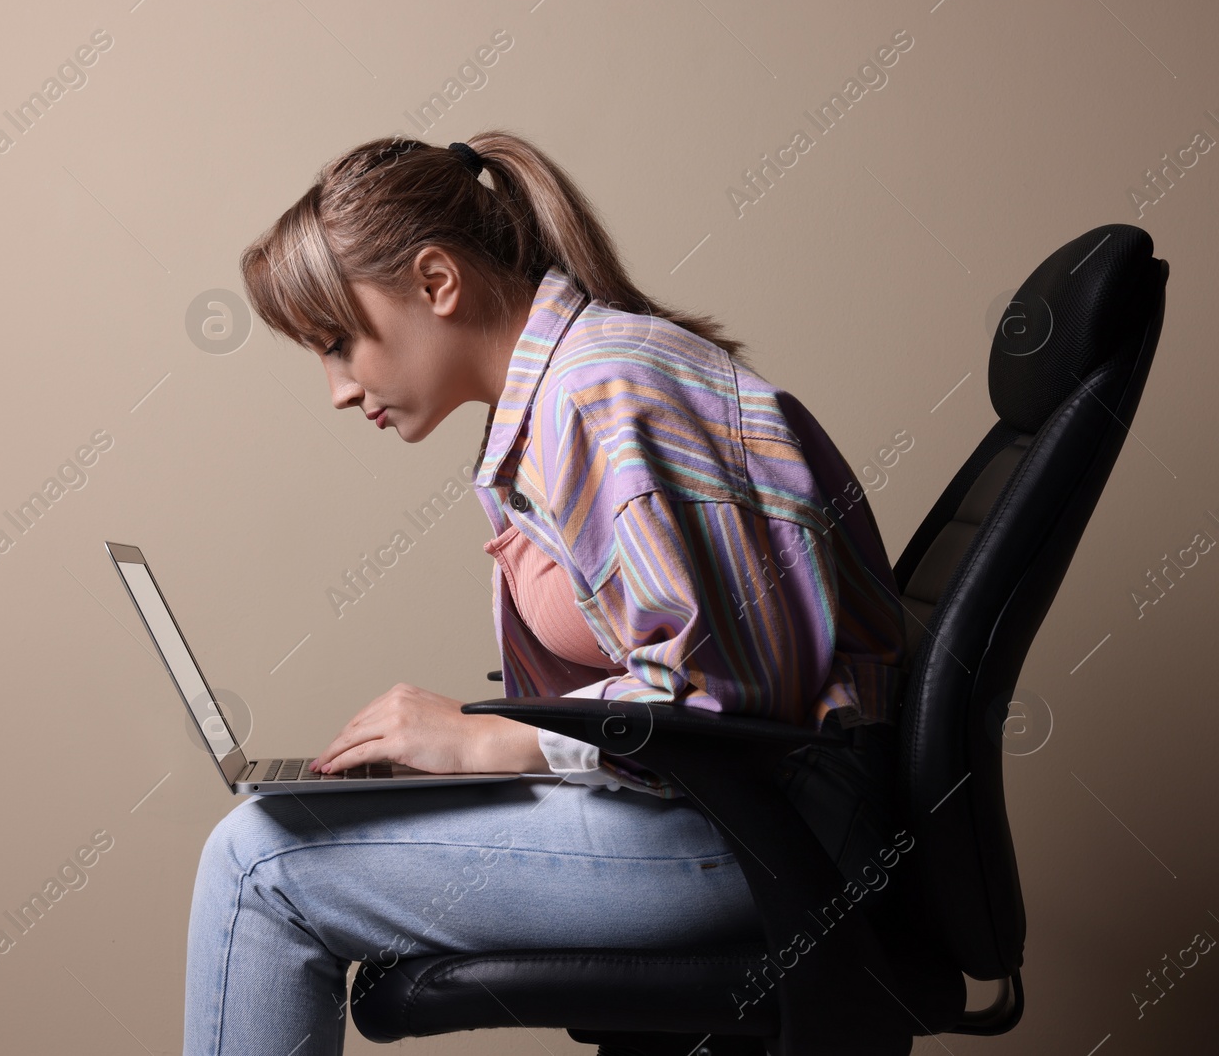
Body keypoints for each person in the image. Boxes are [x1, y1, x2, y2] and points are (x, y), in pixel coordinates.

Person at [184, 130, 909, 1055]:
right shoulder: (558, 400)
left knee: (258, 863)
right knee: (269, 832)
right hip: (715, 806)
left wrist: (484, 737)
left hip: (766, 832)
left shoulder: (604, 397)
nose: (336, 388)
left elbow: (734, 699)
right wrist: (467, 753)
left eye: (339, 341)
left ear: (435, 280)